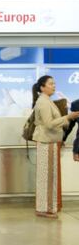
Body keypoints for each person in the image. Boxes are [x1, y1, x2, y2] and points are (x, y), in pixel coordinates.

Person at [32, 76, 79, 218]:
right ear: (42, 87)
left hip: (51, 142)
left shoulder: (47, 101)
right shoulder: (43, 103)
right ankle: (45, 209)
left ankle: (46, 208)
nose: (54, 86)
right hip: (47, 142)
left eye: (54, 83)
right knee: (47, 178)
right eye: (51, 84)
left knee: (48, 177)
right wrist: (68, 118)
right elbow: (49, 123)